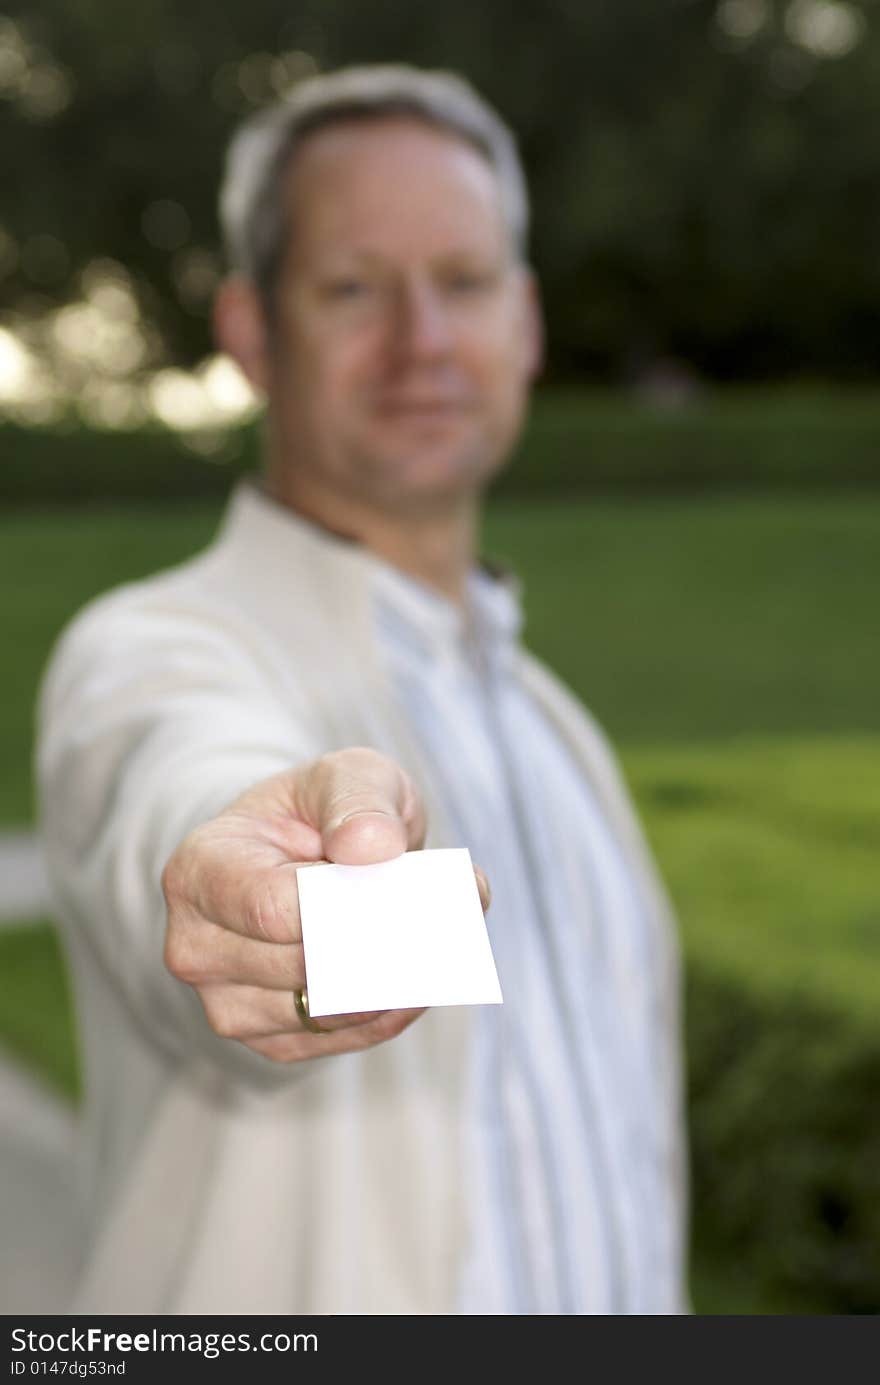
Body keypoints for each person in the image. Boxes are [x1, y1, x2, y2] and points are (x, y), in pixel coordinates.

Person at [37, 64, 687, 1315]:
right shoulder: (156, 647)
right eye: (351, 287)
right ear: (249, 331)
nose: (423, 339)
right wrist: (244, 888)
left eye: (463, 281)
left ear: (528, 321)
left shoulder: (559, 727)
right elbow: (175, 769)